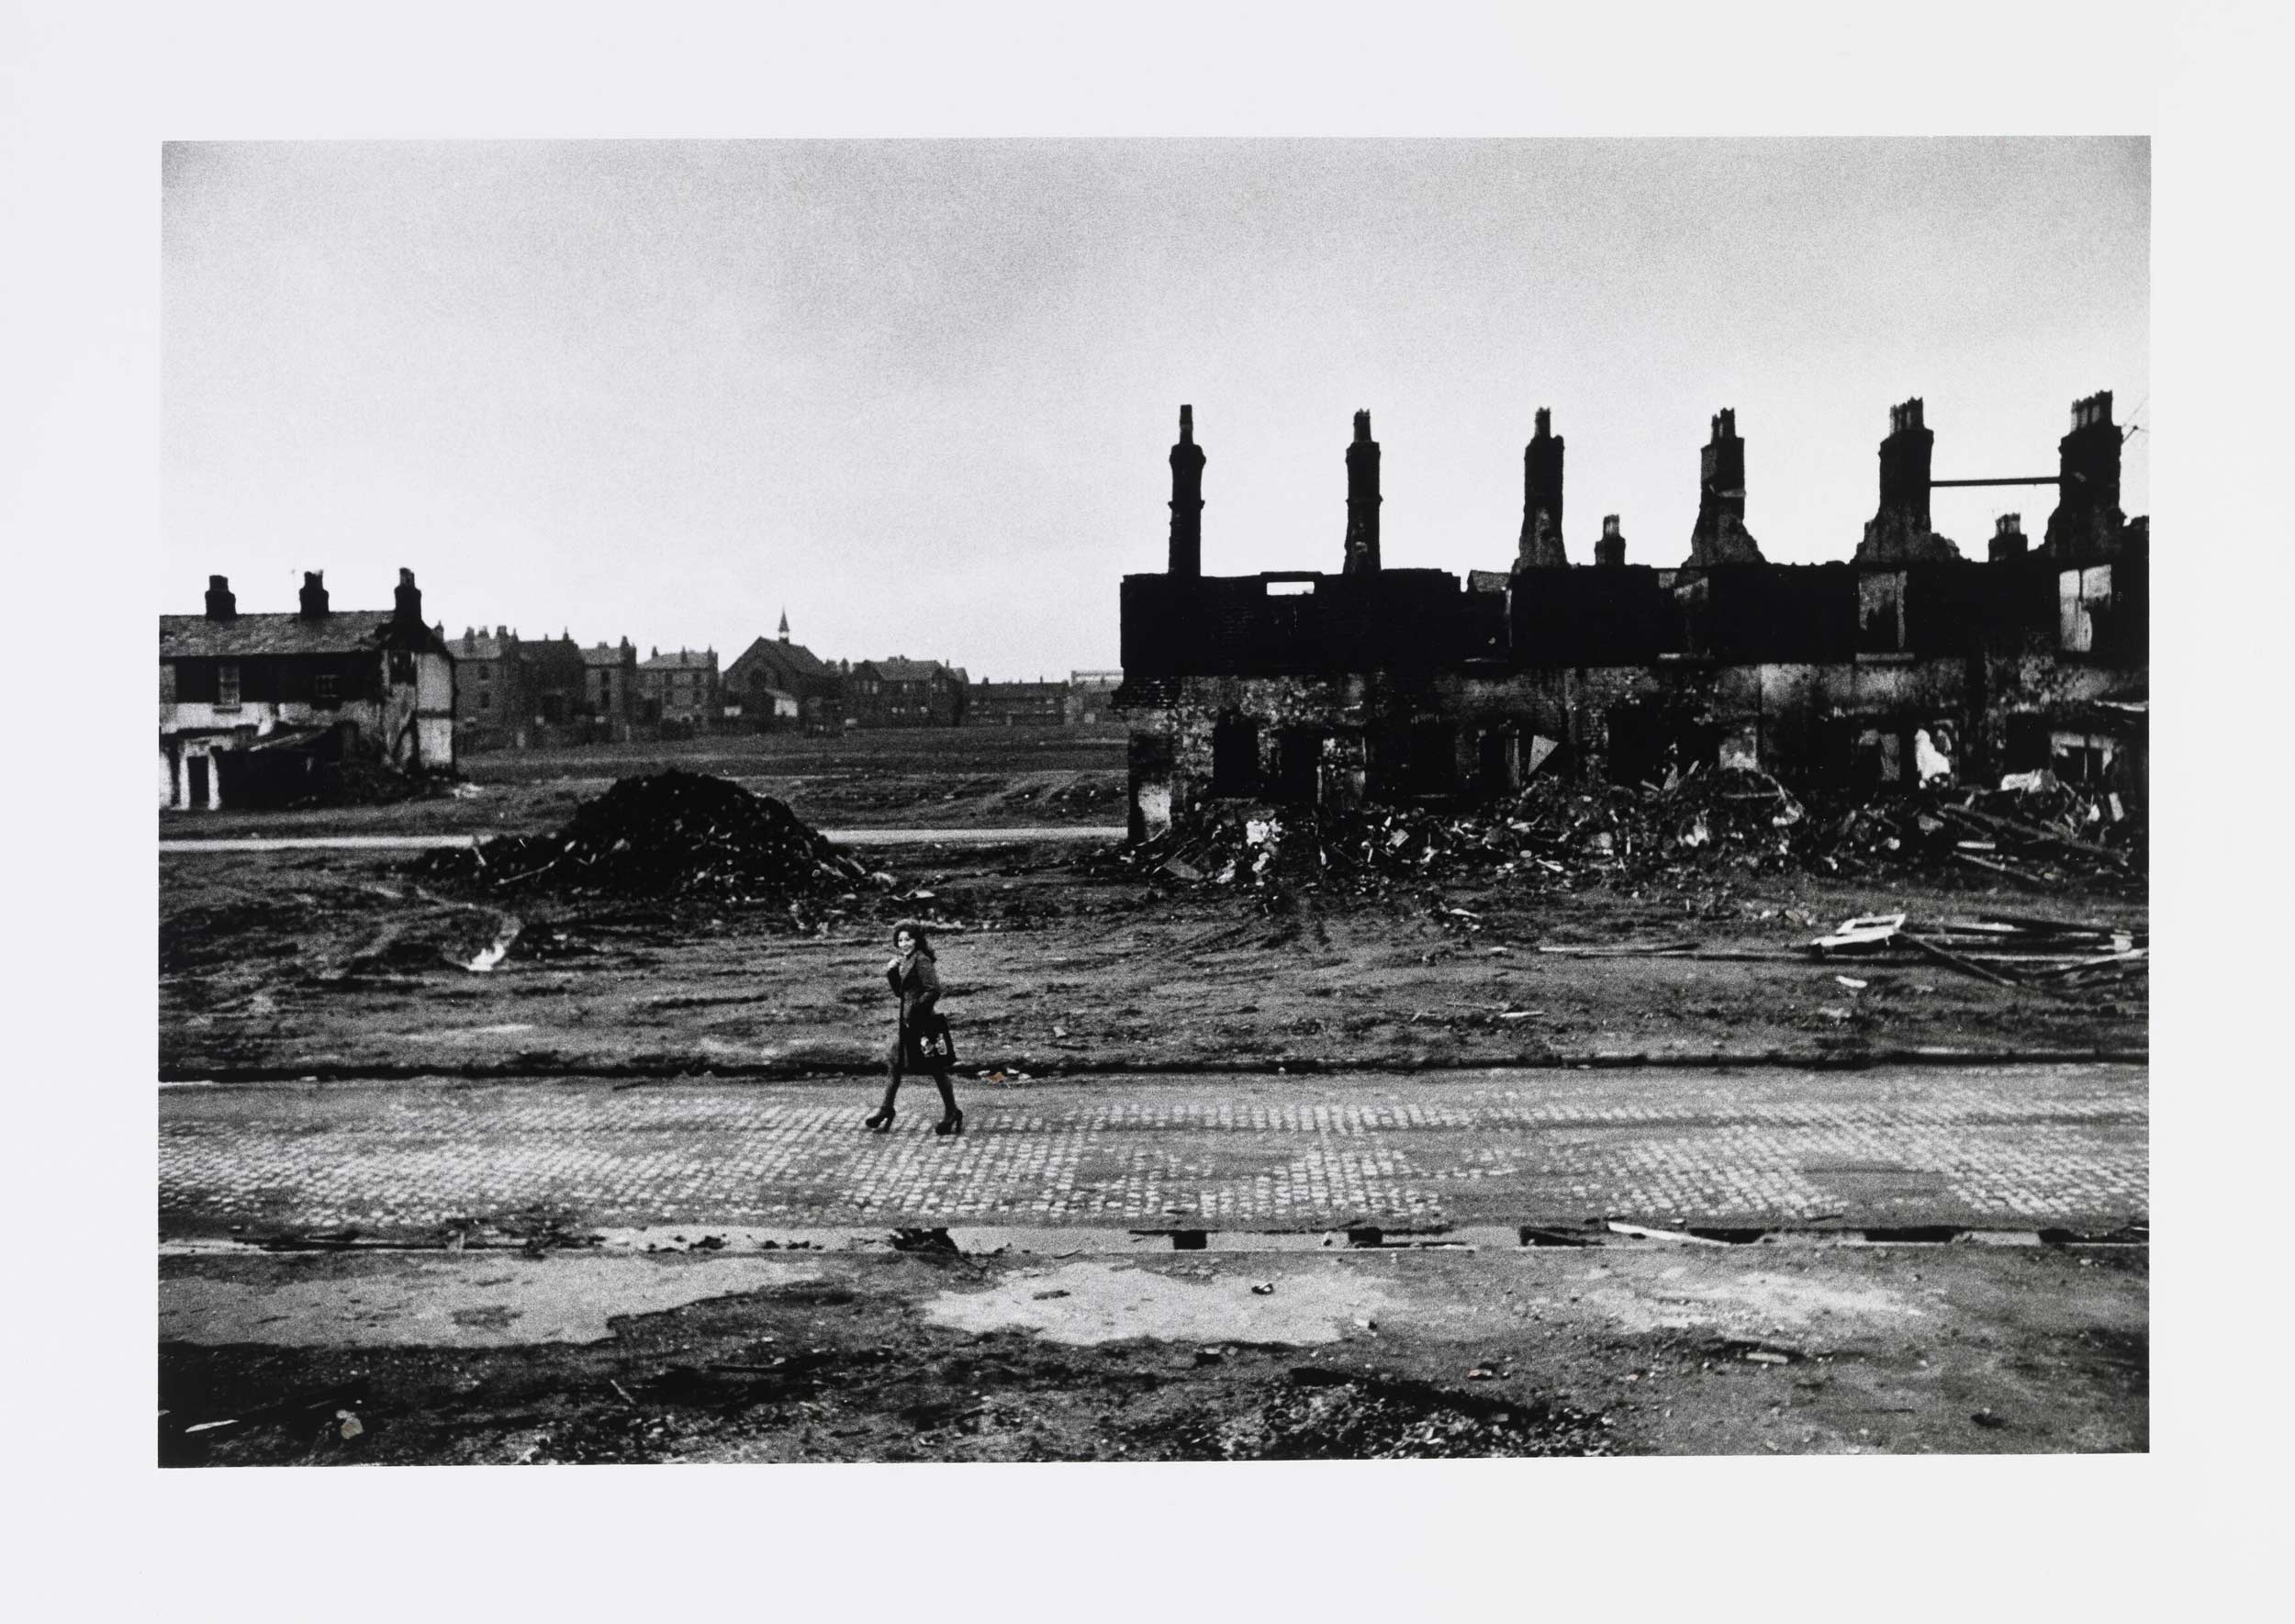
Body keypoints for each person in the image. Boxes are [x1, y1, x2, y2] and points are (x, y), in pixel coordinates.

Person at [865, 920, 962, 1136]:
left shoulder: (921, 960)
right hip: (907, 1022)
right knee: (894, 1062)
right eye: (900, 940)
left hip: (923, 1022)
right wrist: (892, 973)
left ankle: (952, 1111)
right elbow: (901, 992)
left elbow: (934, 990)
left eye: (908, 939)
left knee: (936, 1067)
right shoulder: (907, 960)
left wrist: (918, 1008)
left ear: (917, 940)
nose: (904, 943)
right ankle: (886, 1108)